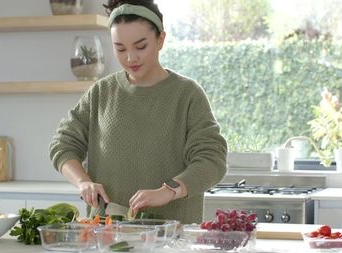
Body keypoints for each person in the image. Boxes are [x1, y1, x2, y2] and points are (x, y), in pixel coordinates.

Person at [49, 0, 227, 223]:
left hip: (171, 237)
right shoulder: (100, 92)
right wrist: (83, 182)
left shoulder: (188, 94)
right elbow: (62, 144)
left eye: (140, 46)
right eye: (120, 48)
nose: (130, 58)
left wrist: (169, 190)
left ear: (160, 40)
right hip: (107, 235)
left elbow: (212, 160)